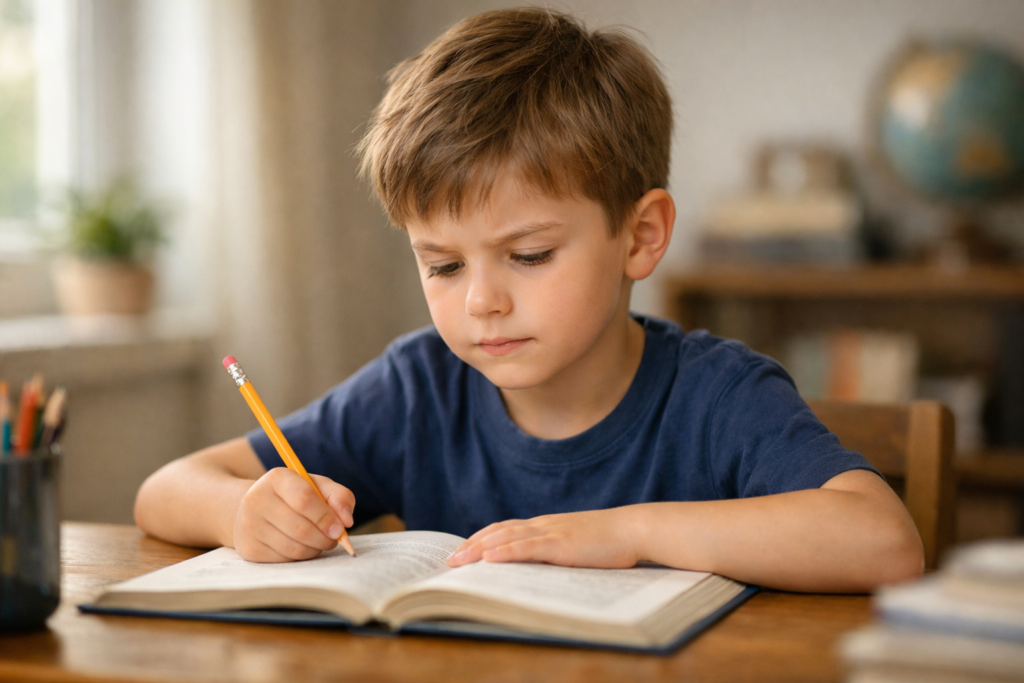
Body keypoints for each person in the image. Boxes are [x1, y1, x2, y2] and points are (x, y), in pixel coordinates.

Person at [135, 7, 923, 593]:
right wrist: (243, 511)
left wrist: (626, 534)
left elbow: (883, 539)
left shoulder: (716, 394)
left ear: (641, 236)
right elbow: (165, 490)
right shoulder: (418, 390)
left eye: (529, 255)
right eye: (441, 265)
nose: (481, 301)